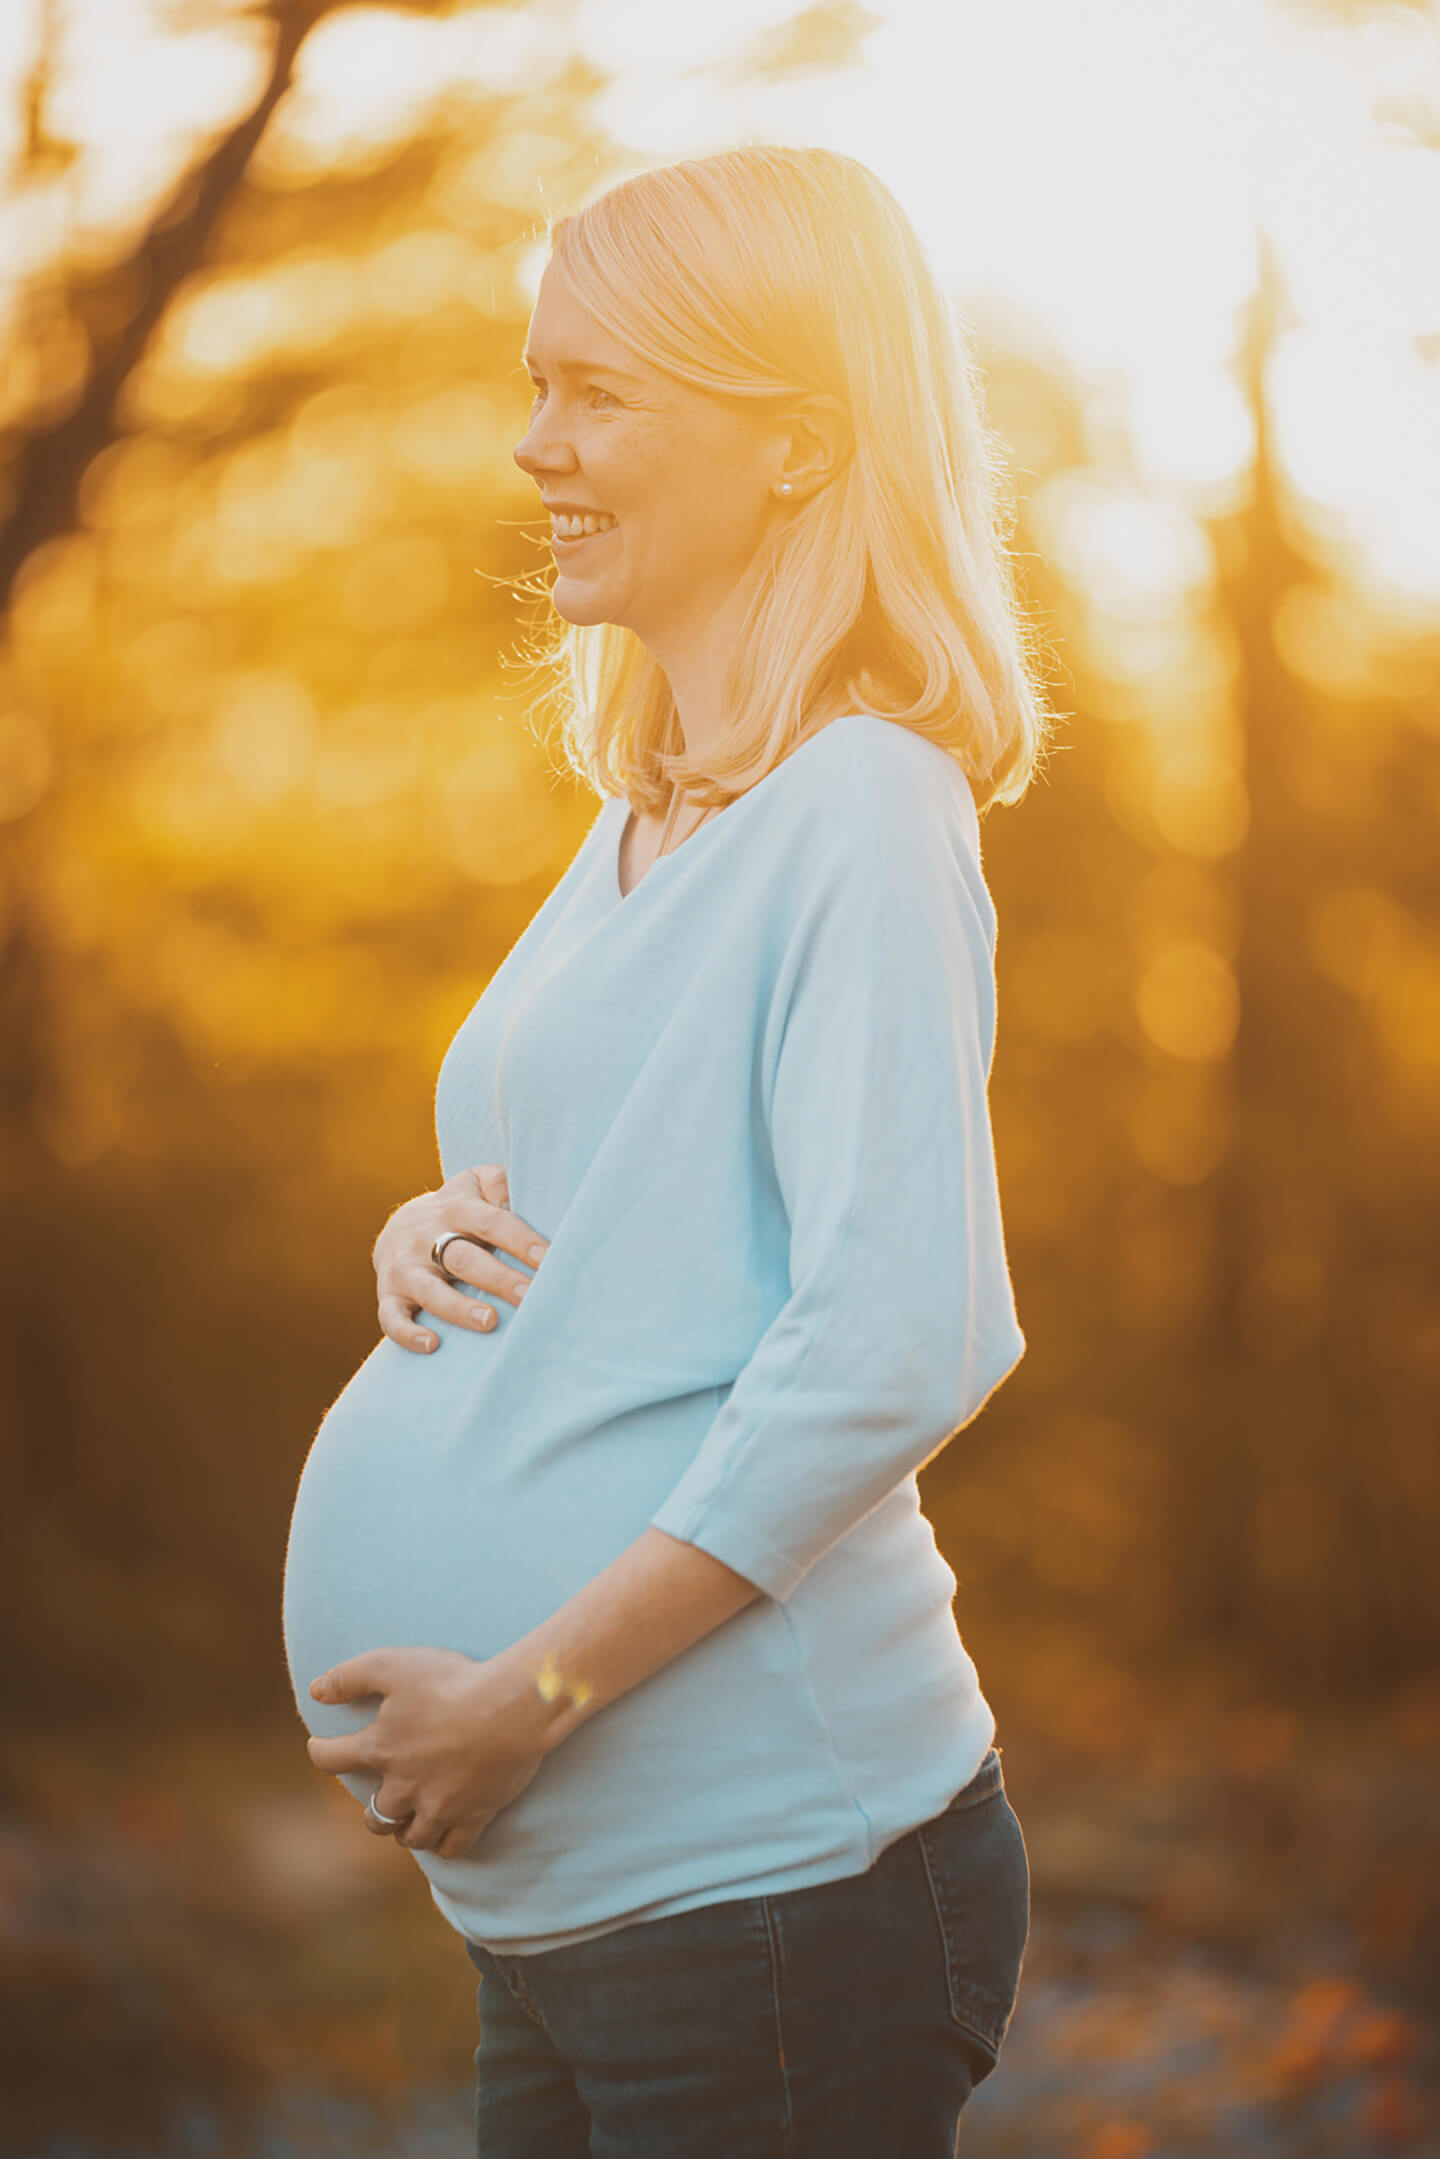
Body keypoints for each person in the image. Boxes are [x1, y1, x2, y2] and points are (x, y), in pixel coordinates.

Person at [282, 142, 1053, 2158]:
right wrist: (420, 1237)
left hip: (773, 1893)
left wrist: (525, 1698)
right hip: (587, 1905)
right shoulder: (655, 813)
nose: (537, 447)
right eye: (538, 386)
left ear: (796, 447)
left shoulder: (866, 810)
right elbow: (636, 1205)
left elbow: (897, 1340)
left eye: (601, 394)